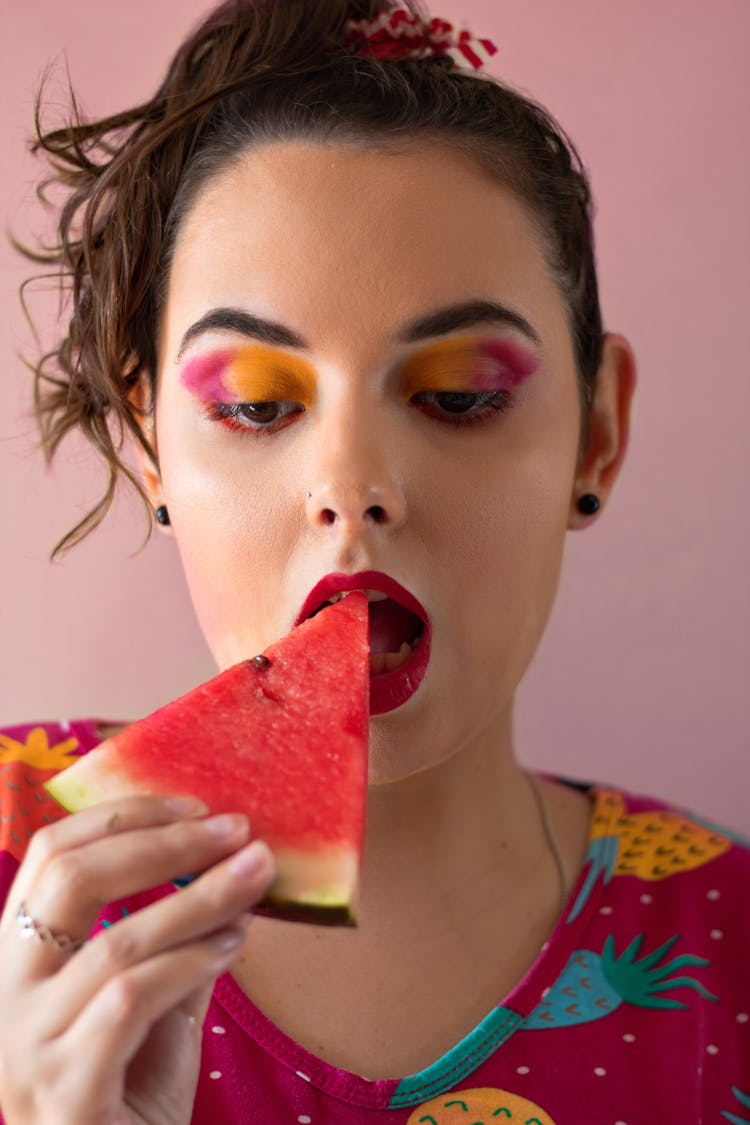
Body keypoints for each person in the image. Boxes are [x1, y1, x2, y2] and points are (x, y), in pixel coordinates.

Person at [0, 1, 748, 1121]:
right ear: (149, 446)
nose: (353, 485)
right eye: (256, 404)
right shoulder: (16, 844)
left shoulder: (725, 948)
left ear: (597, 433)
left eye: (461, 397)